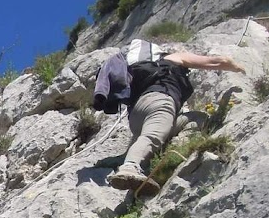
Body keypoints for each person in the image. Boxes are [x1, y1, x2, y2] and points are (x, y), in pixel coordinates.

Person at [105, 49, 245, 196]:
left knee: (197, 118)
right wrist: (237, 67)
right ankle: (130, 167)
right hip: (160, 101)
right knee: (152, 136)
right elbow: (216, 62)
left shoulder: (141, 70)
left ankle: (170, 153)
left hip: (136, 117)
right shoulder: (173, 57)